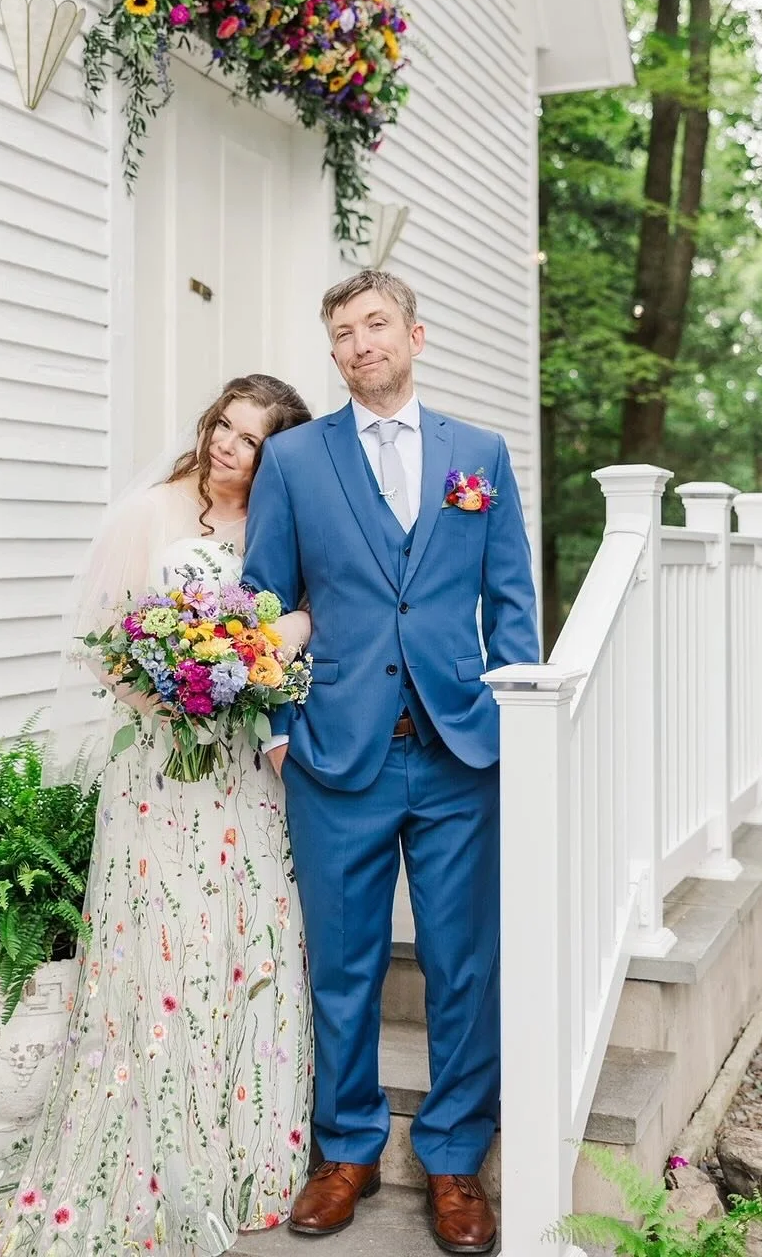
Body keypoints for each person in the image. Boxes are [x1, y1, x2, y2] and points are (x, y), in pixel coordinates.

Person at [0, 375, 314, 1257]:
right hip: (157, 771)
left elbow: (300, 617)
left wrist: (258, 662)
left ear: (274, 454)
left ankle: (245, 1158)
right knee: (161, 941)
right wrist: (167, 689)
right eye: (222, 426)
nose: (225, 446)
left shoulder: (281, 528)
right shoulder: (151, 512)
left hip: (240, 772)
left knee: (244, 939)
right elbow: (104, 639)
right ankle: (159, 1149)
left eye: (248, 439)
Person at [243, 273, 539, 1254]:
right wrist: (282, 725)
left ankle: (453, 1160)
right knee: (345, 966)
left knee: (463, 964)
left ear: (414, 332)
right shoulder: (292, 461)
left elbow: (514, 611)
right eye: (341, 333)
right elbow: (263, 603)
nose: (360, 342)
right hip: (338, 754)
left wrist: (516, 729)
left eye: (375, 324)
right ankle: (349, 1152)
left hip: (459, 751)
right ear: (333, 353)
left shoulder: (481, 457)